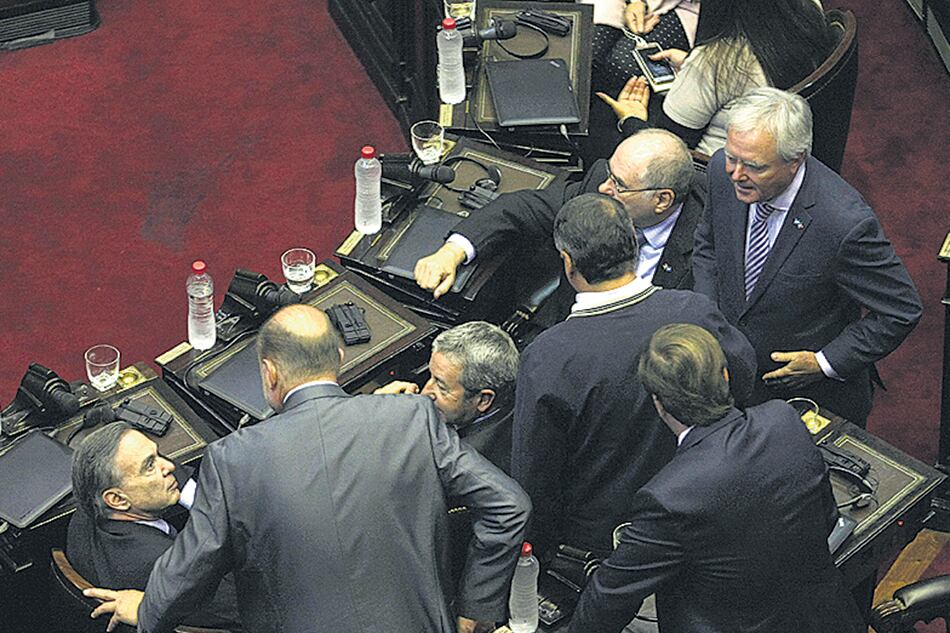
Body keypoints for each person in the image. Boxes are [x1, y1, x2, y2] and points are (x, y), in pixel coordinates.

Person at [85, 304, 531, 633]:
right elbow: (509, 506)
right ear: (339, 356)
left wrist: (147, 611)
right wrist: (476, 609)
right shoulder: (412, 417)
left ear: (269, 374)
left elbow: (191, 568)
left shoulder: (232, 458)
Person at [567, 323, 866, 633]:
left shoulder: (668, 498)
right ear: (725, 376)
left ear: (658, 401)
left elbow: (609, 597)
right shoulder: (784, 419)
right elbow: (828, 520)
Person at [512, 193, 756, 559]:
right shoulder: (696, 312)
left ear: (568, 263)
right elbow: (744, 382)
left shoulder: (548, 357)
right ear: (633, 245)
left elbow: (535, 479)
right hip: (707, 508)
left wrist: (540, 554)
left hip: (602, 546)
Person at [691, 87, 922, 426]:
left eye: (754, 166)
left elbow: (901, 309)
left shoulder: (844, 224)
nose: (736, 174)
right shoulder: (719, 171)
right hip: (728, 385)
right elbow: (708, 245)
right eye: (731, 157)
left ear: (795, 160)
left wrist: (824, 362)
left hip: (805, 402)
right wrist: (709, 322)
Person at [415, 129, 704, 322]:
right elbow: (522, 208)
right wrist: (452, 252)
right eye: (609, 174)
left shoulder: (707, 243)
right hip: (562, 328)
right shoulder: (599, 188)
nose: (604, 187)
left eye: (619, 185)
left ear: (662, 200)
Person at [598, 0, 837, 156]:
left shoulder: (716, 61)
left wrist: (631, 119)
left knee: (599, 133)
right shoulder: (810, 11)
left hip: (709, 180)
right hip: (778, 159)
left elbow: (663, 154)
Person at [67, 423, 240, 631]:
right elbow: (250, 606)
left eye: (158, 454)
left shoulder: (85, 513)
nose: (169, 466)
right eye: (150, 465)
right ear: (117, 499)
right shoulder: (170, 569)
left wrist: (193, 497)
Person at [375, 320, 519, 473]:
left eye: (442, 387)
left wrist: (377, 420)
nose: (425, 392)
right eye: (431, 377)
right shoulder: (516, 396)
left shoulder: (461, 466)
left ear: (483, 400)